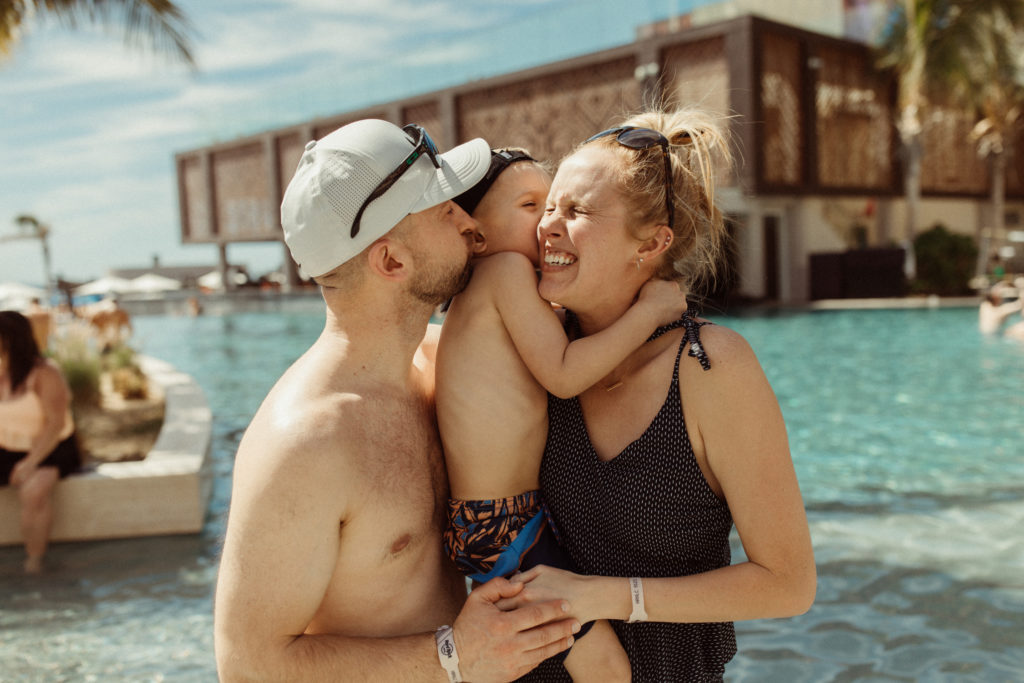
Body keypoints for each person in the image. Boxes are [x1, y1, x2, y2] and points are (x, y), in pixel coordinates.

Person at [213, 120, 579, 682]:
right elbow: (248, 666)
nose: (469, 222)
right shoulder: (307, 440)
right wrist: (454, 656)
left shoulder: (445, 364)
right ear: (390, 262)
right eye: (444, 211)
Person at [501, 108, 817, 681]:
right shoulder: (535, 353)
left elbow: (788, 584)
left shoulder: (709, 367)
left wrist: (602, 598)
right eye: (549, 207)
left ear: (650, 243)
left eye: (577, 211)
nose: (549, 225)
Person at [437, 148, 687, 680]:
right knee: (606, 666)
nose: (546, 222)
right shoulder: (502, 271)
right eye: (531, 205)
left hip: (496, 520)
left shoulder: (491, 289)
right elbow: (566, 372)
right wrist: (651, 311)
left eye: (553, 205)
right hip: (501, 523)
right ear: (476, 233)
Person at [0, 310, 82, 573]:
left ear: (11, 340)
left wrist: (28, 463)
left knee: (33, 491)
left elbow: (55, 424)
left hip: (52, 449)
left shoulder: (45, 373)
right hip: (7, 448)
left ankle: (34, 562)